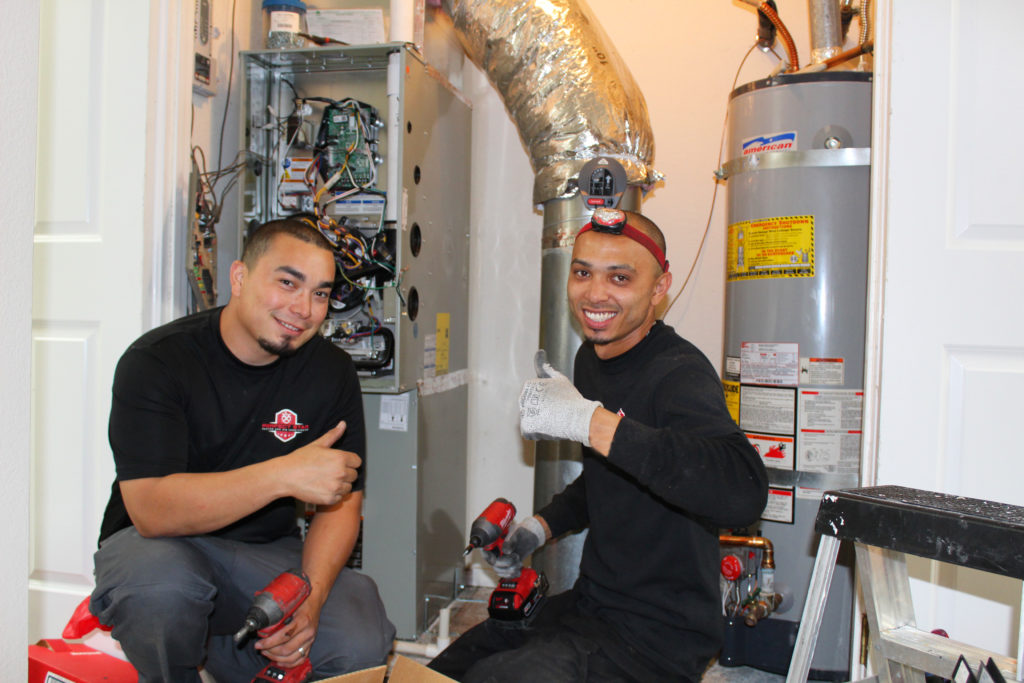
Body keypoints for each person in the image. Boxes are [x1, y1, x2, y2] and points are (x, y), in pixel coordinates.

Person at [429, 208, 769, 682]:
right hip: (593, 606)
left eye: (620, 277)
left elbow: (743, 493)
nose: (595, 294)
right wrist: (539, 528)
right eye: (583, 272)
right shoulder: (592, 358)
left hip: (660, 639)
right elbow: (610, 479)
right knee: (447, 669)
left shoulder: (679, 374)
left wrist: (591, 422)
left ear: (659, 286)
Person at [90, 219, 395, 682]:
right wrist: (282, 475)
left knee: (361, 636)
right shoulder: (158, 361)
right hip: (156, 546)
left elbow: (343, 501)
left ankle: (221, 648)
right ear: (239, 278)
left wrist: (307, 604)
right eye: (288, 283)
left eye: (319, 293)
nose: (303, 308)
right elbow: (151, 509)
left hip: (260, 553)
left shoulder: (330, 372)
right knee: (162, 592)